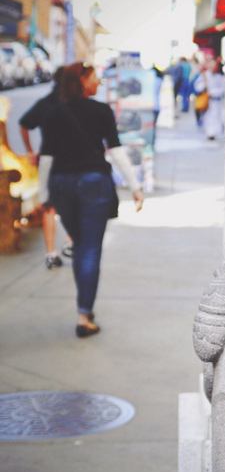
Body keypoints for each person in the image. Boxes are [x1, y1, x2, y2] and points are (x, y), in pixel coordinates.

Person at [44, 63, 144, 337]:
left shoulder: (54, 112)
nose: (98, 82)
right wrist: (135, 186)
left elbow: (47, 157)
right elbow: (116, 150)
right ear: (82, 81)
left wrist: (44, 195)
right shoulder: (101, 111)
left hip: (62, 184)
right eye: (94, 78)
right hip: (93, 183)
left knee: (80, 245)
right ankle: (83, 315)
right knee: (89, 249)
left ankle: (84, 309)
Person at [19, 67, 69, 269]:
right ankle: (70, 243)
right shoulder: (74, 103)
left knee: (49, 205)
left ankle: (51, 252)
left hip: (48, 158)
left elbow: (24, 124)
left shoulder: (46, 103)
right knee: (71, 202)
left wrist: (30, 151)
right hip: (70, 160)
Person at [192, 57, 225, 141]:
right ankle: (210, 133)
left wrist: (214, 92)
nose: (211, 66)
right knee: (208, 117)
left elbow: (223, 88)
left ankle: (214, 133)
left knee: (217, 117)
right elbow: (197, 87)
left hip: (217, 101)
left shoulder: (220, 76)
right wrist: (203, 87)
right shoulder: (204, 75)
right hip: (207, 101)